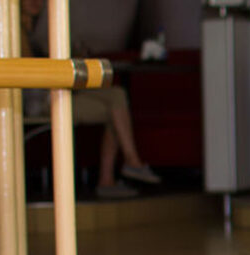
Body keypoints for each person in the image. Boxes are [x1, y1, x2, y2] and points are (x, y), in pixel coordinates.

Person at [20, 0, 161, 197]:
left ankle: (121, 169)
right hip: (38, 101)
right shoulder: (15, 31)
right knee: (116, 106)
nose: (35, 2)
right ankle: (124, 167)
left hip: (56, 91)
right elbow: (32, 75)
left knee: (117, 98)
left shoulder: (42, 28)